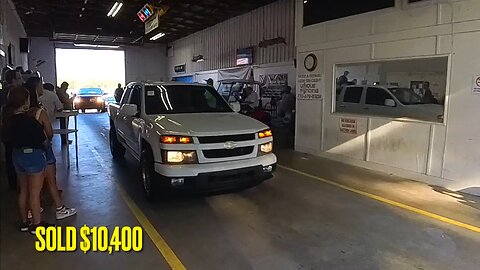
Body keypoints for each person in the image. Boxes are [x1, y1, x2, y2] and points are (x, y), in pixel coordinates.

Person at [25, 78, 77, 221]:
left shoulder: (20, 109)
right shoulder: (39, 111)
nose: (43, 88)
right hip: (41, 147)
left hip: (23, 150)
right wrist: (47, 140)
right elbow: (49, 132)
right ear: (36, 89)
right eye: (40, 86)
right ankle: (59, 208)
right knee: (50, 179)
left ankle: (31, 209)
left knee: (27, 184)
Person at [3, 86, 51, 233]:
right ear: (26, 101)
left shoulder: (8, 121)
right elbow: (44, 139)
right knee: (34, 192)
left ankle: (24, 222)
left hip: (17, 156)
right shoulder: (30, 121)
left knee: (23, 190)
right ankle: (36, 224)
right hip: (34, 157)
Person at [1, 70, 24, 190]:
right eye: (19, 78)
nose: (21, 80)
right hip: (13, 130)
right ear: (13, 80)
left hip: (5, 131)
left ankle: (13, 184)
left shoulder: (2, 92)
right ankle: (20, 184)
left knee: (9, 157)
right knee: (16, 157)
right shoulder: (14, 93)